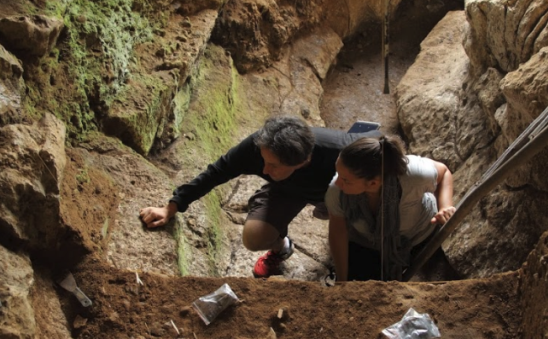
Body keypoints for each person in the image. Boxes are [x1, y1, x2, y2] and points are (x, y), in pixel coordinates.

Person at [140, 116, 380, 278]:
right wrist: (171, 207)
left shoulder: (338, 152)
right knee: (254, 237)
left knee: (361, 227)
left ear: (303, 161)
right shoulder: (257, 148)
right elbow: (216, 172)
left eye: (273, 165)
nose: (264, 170)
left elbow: (379, 150)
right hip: (286, 190)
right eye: (264, 161)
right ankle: (282, 247)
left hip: (335, 188)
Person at [325, 135, 455, 282]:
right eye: (338, 174)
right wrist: (342, 280)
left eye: (345, 180)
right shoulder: (337, 192)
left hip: (417, 236)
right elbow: (338, 231)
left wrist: (445, 206)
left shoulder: (414, 175)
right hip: (368, 242)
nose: (338, 182)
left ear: (373, 184)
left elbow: (444, 172)